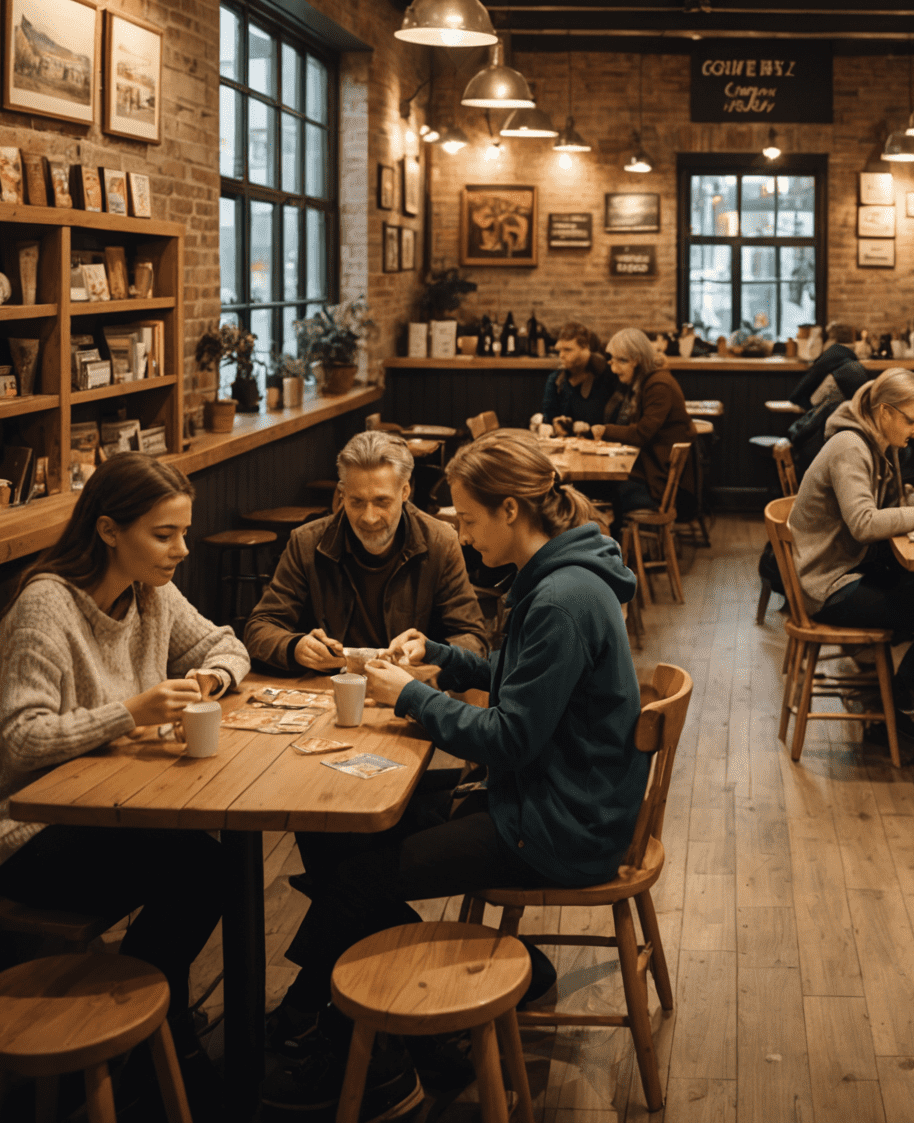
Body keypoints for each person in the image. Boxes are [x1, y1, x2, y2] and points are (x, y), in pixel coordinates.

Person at [265, 432, 647, 1116]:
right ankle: (379, 1022)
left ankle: (343, 1037)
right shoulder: (567, 576)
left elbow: (511, 737)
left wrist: (408, 695)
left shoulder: (560, 598)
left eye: (468, 521)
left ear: (509, 511)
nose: (464, 539)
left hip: (559, 823)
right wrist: (439, 653)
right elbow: (521, 682)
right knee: (349, 827)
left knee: (352, 875)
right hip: (561, 797)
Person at [0, 454, 249, 1114]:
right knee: (203, 871)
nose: (182, 550)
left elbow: (226, 643)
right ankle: (156, 1043)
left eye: (184, 532)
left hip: (104, 810)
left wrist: (211, 680)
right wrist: (128, 713)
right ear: (109, 530)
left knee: (204, 866)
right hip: (25, 833)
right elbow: (20, 740)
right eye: (164, 535)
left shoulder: (151, 594)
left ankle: (152, 1037)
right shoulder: (47, 606)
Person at [789, 367, 914, 734]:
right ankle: (901, 702)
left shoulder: (874, 442)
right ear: (885, 412)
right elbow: (864, 523)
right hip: (826, 585)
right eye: (913, 419)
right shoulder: (851, 447)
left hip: (847, 569)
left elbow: (885, 505)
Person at [242, 430, 487, 670]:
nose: (369, 518)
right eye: (356, 502)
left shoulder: (439, 542)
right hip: (329, 689)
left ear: (404, 492)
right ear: (342, 494)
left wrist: (433, 654)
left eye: (382, 502)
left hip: (410, 691)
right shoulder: (306, 543)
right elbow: (259, 628)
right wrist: (294, 647)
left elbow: (473, 639)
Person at [591, 326, 696, 518]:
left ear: (636, 360)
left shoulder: (658, 384)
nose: (613, 369)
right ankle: (611, 540)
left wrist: (603, 431)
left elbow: (642, 433)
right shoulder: (646, 381)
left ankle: (608, 542)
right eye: (612, 360)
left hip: (656, 486)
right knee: (594, 488)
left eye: (618, 361)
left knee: (593, 489)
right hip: (649, 472)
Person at [540, 320, 618, 434]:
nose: (561, 355)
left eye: (568, 350)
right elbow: (548, 420)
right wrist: (556, 426)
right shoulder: (556, 380)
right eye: (559, 350)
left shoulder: (609, 375)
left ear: (585, 347)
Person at [787, 320, 859, 410]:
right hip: (848, 409)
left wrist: (796, 398)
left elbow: (800, 392)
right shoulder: (851, 357)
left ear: (832, 339)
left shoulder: (832, 355)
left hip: (826, 411)